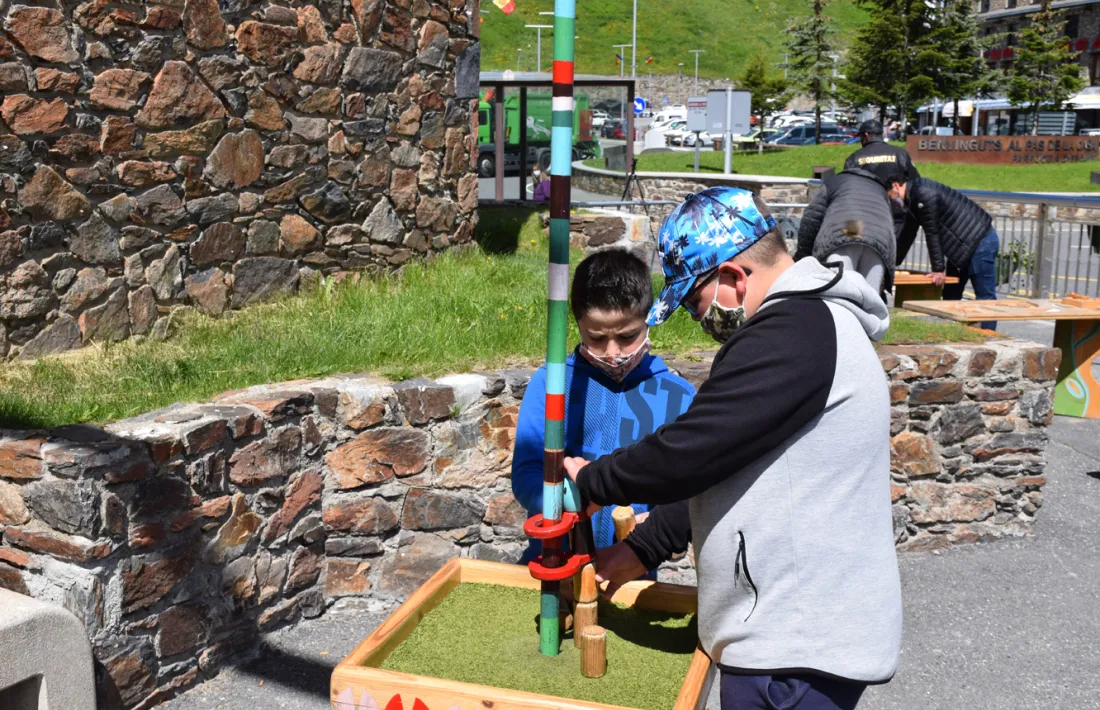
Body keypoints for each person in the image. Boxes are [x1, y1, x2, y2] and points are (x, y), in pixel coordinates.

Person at [564, 186, 902, 710]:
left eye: (697, 305)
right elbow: (726, 466)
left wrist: (593, 482)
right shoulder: (809, 326)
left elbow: (690, 451)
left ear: (732, 278)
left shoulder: (793, 334)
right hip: (796, 635)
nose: (703, 322)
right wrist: (640, 551)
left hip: (792, 648)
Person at [511, 248, 695, 563]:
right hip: (554, 563)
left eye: (627, 336)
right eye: (596, 338)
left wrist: (661, 527)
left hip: (632, 571)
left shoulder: (679, 396)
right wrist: (566, 502)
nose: (612, 352)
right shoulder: (551, 384)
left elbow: (688, 488)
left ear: (649, 319)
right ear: (578, 324)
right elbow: (527, 471)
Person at [885, 174, 1001, 331]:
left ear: (896, 186)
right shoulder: (913, 198)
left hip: (980, 241)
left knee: (985, 296)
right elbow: (908, 233)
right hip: (960, 248)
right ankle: (952, 333)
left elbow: (932, 232)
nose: (889, 199)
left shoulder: (924, 193)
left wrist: (938, 270)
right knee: (950, 296)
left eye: (888, 193)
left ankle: (989, 337)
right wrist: (892, 263)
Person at [795, 167, 897, 295]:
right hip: (878, 242)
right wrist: (890, 275)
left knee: (837, 294)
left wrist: (802, 258)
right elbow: (890, 228)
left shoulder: (834, 182)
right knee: (871, 299)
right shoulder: (881, 190)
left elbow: (812, 219)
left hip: (846, 234)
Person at [844, 119, 921, 260]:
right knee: (891, 257)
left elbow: (849, 190)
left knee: (867, 257)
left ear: (866, 135)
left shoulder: (854, 158)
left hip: (867, 215)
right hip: (897, 213)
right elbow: (916, 183)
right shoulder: (900, 154)